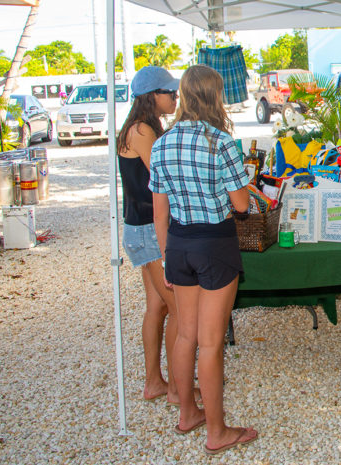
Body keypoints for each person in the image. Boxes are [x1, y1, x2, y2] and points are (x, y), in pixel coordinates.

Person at [149, 65, 258, 455]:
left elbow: (159, 211)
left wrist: (166, 259)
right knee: (211, 344)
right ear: (215, 96)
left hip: (177, 244)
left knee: (185, 334)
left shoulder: (161, 143)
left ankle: (187, 413)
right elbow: (242, 205)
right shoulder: (221, 142)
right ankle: (217, 431)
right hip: (214, 244)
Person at [117, 66, 180, 404]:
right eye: (170, 92)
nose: (175, 97)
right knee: (177, 310)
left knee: (156, 307)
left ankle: (155, 382)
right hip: (147, 230)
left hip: (139, 227)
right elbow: (163, 178)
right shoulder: (142, 129)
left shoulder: (141, 127)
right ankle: (175, 389)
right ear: (151, 96)